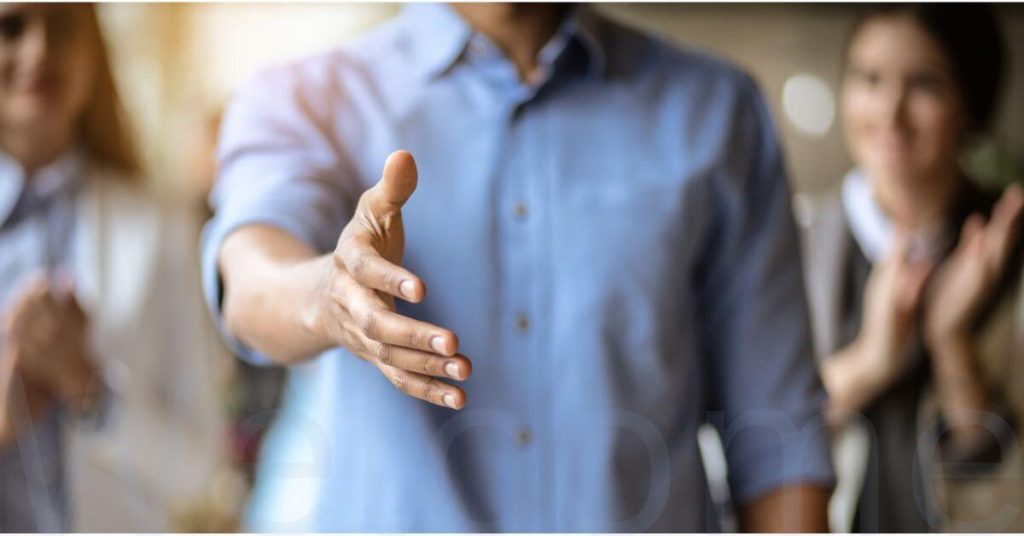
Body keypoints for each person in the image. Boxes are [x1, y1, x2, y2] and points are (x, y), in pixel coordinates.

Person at [205, 3, 835, 531]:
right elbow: (252, 271)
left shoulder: (718, 112)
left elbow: (776, 435)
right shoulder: (304, 96)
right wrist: (328, 296)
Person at [0, 4, 231, 531]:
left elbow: (201, 466)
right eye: (10, 26)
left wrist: (89, 388)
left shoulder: (160, 228)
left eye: (61, 27)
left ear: (94, 53)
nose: (39, 51)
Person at [795, 4, 1024, 532]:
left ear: (970, 100)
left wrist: (949, 338)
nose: (888, 112)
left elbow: (1000, 472)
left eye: (924, 84)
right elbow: (755, 434)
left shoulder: (1007, 250)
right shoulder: (793, 242)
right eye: (868, 78)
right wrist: (871, 361)